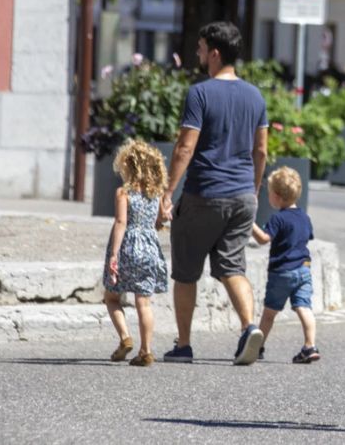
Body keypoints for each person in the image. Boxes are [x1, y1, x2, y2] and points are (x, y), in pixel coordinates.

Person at [160, 21, 269, 365]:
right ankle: (249, 327)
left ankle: (184, 345)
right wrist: (252, 191)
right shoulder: (255, 95)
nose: (198, 53)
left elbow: (184, 148)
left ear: (215, 53)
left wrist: (168, 192)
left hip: (204, 193)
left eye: (201, 47)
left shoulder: (200, 93)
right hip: (241, 195)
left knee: (186, 272)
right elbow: (261, 151)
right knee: (233, 267)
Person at [102, 140, 169, 367]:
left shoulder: (124, 192)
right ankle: (146, 350)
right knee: (144, 302)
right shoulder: (156, 193)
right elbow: (161, 221)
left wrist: (114, 254)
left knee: (111, 296)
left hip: (128, 248)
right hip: (150, 248)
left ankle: (125, 337)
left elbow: (121, 222)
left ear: (128, 166)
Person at [250, 166, 320, 364]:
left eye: (269, 193)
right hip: (304, 269)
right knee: (304, 307)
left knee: (269, 313)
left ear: (277, 197)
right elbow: (308, 237)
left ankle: (257, 347)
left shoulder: (278, 218)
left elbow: (264, 239)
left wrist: (250, 224)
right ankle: (309, 345)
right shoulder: (305, 217)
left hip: (282, 272)